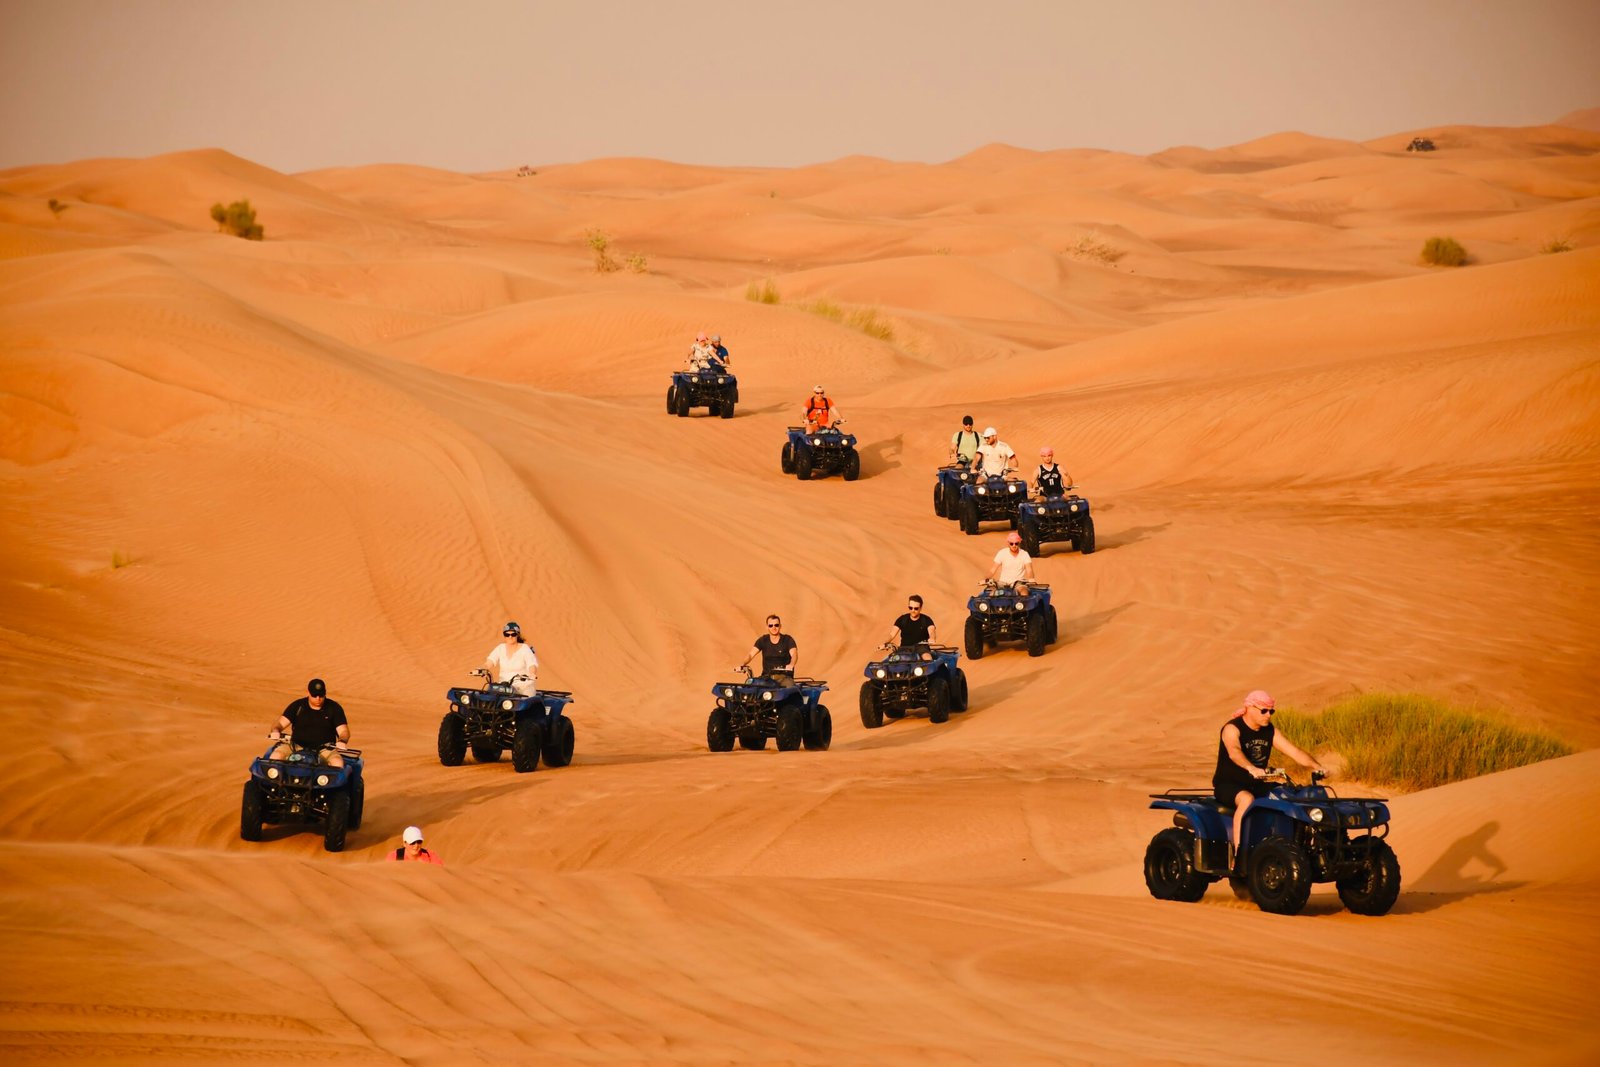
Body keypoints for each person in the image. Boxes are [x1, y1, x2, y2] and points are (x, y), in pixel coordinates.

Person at [1213, 690, 1327, 869]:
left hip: (1258, 783)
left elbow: (1294, 751)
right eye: (1264, 711)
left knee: (1287, 795)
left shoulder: (1270, 731)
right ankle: (1239, 854)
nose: (1268, 715)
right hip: (1230, 784)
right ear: (1249, 707)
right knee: (1246, 799)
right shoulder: (1232, 728)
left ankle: (1297, 845)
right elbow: (1234, 752)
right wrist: (1251, 768)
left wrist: (1317, 766)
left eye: (1271, 711)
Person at [269, 678, 350, 768]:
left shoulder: (334, 708)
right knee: (276, 756)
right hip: (296, 747)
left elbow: (344, 731)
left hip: (325, 750)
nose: (318, 698)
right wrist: (275, 731)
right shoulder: (298, 706)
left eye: (321, 695)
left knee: (337, 762)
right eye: (314, 695)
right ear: (308, 692)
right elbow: (279, 723)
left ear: (325, 693)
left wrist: (342, 741)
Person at [484, 620, 538, 696]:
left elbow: (531, 664)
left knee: (524, 703)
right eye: (507, 634)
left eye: (513, 634)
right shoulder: (500, 648)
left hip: (523, 688)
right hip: (504, 687)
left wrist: (532, 673)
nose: (510, 637)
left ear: (517, 635)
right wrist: (482, 669)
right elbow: (490, 662)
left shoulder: (525, 648)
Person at [736, 614, 798, 679]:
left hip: (784, 678)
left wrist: (791, 664)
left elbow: (794, 654)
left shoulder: (787, 639)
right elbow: (750, 655)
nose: (774, 628)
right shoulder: (763, 640)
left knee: (789, 688)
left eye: (776, 625)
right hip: (766, 678)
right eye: (771, 625)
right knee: (751, 685)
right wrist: (742, 665)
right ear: (767, 627)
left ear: (780, 626)